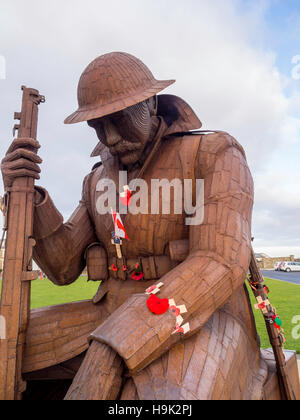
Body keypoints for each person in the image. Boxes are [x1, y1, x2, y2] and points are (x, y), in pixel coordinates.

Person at [1, 52, 268, 400]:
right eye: (97, 125)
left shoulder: (213, 153)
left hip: (201, 316)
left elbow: (218, 261)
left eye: (119, 119)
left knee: (166, 397)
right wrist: (28, 197)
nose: (109, 137)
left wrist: (118, 342)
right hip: (106, 313)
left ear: (151, 103)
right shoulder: (97, 179)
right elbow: (63, 268)